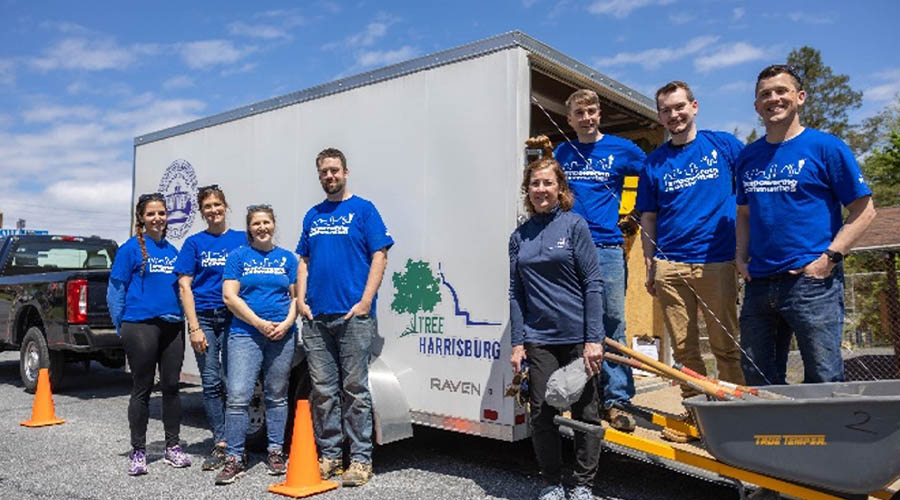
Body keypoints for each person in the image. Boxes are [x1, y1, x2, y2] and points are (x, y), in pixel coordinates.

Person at [736, 64, 876, 386]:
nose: (774, 98)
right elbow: (743, 213)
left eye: (781, 91)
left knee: (824, 378)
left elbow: (865, 210)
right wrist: (740, 258)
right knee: (759, 381)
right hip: (758, 284)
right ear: (757, 106)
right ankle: (778, 438)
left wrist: (829, 259)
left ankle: (829, 438)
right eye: (765, 94)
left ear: (800, 98)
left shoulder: (826, 148)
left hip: (812, 284)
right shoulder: (748, 157)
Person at [636, 81, 745, 442]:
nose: (674, 115)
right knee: (684, 351)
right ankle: (699, 418)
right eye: (666, 110)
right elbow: (648, 218)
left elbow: (750, 193)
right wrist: (651, 264)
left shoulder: (724, 146)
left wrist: (748, 249)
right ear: (660, 116)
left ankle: (734, 418)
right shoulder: (654, 163)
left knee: (725, 345)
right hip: (670, 266)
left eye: (679, 107)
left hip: (716, 260)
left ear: (694, 106)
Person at [510, 136, 604, 500]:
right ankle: (552, 482)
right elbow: (515, 293)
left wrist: (594, 339)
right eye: (535, 183)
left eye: (548, 182)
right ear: (527, 190)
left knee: (586, 414)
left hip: (578, 338)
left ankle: (583, 485)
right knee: (542, 415)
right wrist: (518, 343)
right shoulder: (519, 237)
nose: (541, 189)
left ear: (560, 187)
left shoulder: (574, 226)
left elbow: (593, 283)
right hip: (539, 339)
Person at [296, 147, 393, 487]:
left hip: (353, 316)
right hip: (316, 317)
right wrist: (300, 302)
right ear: (319, 175)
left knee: (355, 390)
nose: (330, 176)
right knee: (323, 391)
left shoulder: (364, 211)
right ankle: (331, 456)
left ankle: (361, 461)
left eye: (335, 170)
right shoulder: (313, 215)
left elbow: (379, 256)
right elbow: (303, 261)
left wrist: (365, 301)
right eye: (324, 172)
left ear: (346, 172)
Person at [553, 88, 646, 431]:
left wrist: (635, 214)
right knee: (572, 324)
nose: (587, 118)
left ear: (599, 114)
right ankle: (583, 395)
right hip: (568, 248)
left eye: (591, 111)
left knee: (611, 322)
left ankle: (618, 399)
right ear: (570, 119)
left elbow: (651, 178)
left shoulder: (622, 149)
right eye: (580, 113)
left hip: (606, 247)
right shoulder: (564, 152)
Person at [214, 204, 299, 485]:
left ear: (274, 224)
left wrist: (286, 324)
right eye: (256, 223)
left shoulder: (288, 259)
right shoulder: (238, 257)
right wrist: (259, 323)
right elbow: (230, 297)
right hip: (245, 334)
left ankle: (275, 452)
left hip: (282, 334)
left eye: (267, 222)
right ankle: (235, 457)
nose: (262, 227)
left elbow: (296, 297)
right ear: (249, 228)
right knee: (238, 395)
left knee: (276, 394)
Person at [107, 192, 190, 476]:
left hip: (172, 326)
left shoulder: (172, 251)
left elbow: (181, 290)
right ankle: (139, 451)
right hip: (139, 325)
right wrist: (122, 326)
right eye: (151, 213)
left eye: (162, 213)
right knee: (142, 388)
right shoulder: (130, 249)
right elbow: (115, 291)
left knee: (171, 387)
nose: (157, 218)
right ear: (141, 218)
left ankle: (172, 447)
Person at [174, 185, 245, 470]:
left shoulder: (242, 240)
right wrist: (194, 327)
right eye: (207, 207)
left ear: (226, 206)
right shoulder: (194, 243)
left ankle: (236, 443)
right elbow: (184, 286)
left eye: (217, 205)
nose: (213, 210)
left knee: (234, 381)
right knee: (212, 381)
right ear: (202, 212)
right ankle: (221, 442)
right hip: (203, 317)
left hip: (233, 316)